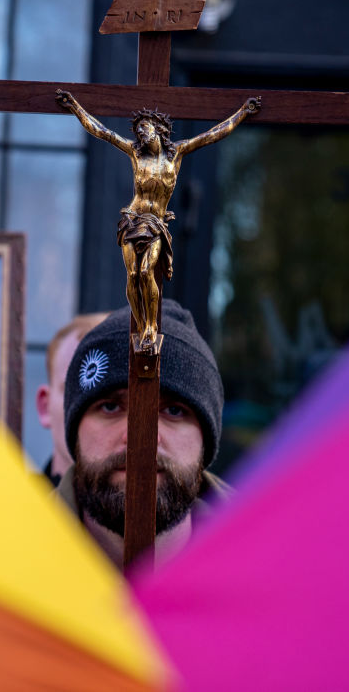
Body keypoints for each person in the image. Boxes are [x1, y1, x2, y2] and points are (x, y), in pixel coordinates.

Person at [56, 89, 260, 352]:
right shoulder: (135, 154)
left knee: (145, 272)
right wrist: (75, 107)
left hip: (156, 225)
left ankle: (151, 327)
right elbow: (102, 132)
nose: (141, 133)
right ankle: (141, 326)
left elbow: (212, 135)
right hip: (132, 222)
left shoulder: (176, 154)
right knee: (132, 276)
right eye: (139, 130)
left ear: (159, 130)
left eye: (146, 128)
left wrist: (242, 113)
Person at [55, 300, 232, 569]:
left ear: (206, 439)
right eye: (110, 407)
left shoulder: (273, 564)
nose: (140, 436)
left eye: (174, 410)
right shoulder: (5, 564)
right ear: (75, 430)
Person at [36, 312, 109, 487]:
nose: (92, 415)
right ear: (45, 407)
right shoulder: (8, 509)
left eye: (111, 405)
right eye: (75, 392)